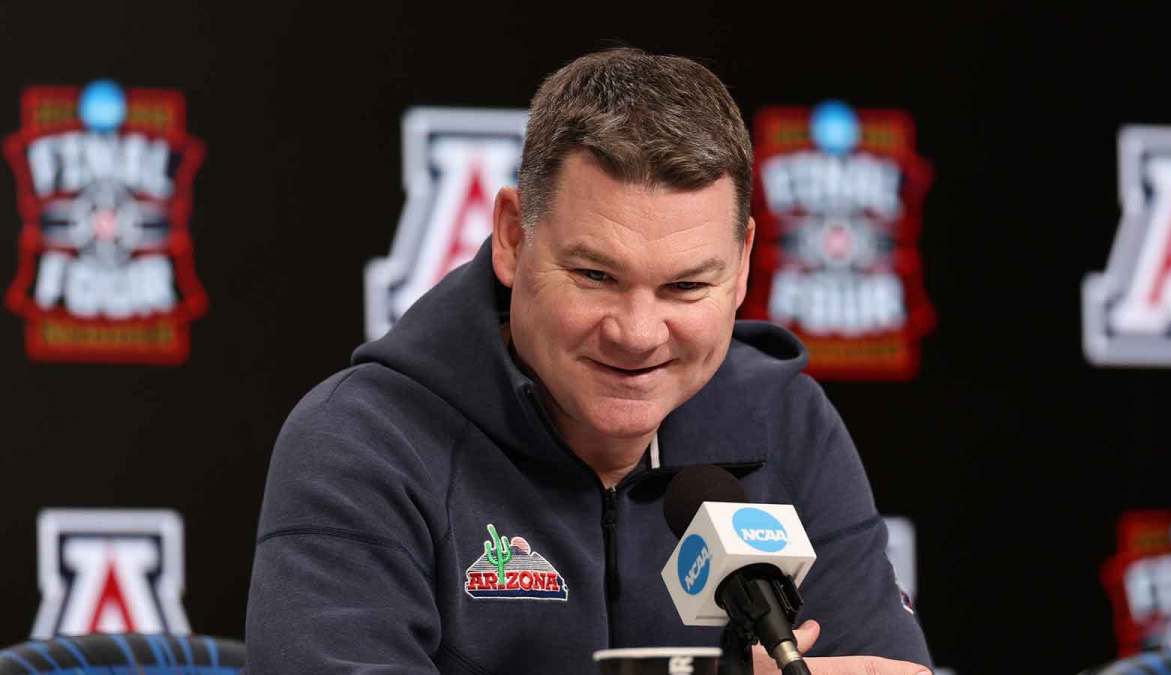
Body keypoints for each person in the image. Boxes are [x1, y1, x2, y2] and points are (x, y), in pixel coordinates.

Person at [246, 48, 933, 674]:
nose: (637, 334)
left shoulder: (785, 425)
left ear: (745, 261)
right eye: (596, 276)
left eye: (686, 286)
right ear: (513, 238)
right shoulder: (364, 441)